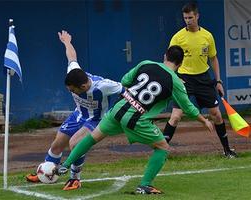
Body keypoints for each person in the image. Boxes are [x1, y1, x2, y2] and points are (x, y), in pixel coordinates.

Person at [55, 45, 214, 194]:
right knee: (163, 148)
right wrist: (204, 120)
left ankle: (66, 164)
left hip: (119, 107)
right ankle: (145, 185)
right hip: (137, 117)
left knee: (93, 137)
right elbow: (188, 108)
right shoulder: (176, 82)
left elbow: (125, 80)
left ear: (164, 56)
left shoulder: (146, 63)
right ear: (180, 64)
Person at [26, 30, 124, 190]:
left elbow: (125, 91)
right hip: (78, 115)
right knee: (57, 144)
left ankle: (75, 179)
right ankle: (45, 173)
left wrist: (122, 112)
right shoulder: (74, 73)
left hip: (96, 120)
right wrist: (66, 42)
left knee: (75, 143)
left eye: (73, 90)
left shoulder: (104, 85)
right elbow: (72, 57)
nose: (71, 92)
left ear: (84, 87)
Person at [163, 2, 237, 158]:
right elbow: (168, 61)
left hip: (204, 78)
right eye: (185, 18)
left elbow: (214, 58)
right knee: (175, 116)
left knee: (216, 115)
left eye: (190, 17)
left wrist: (218, 81)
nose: (188, 21)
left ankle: (227, 150)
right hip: (184, 80)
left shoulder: (207, 36)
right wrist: (175, 78)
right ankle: (161, 151)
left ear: (197, 16)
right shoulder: (177, 37)